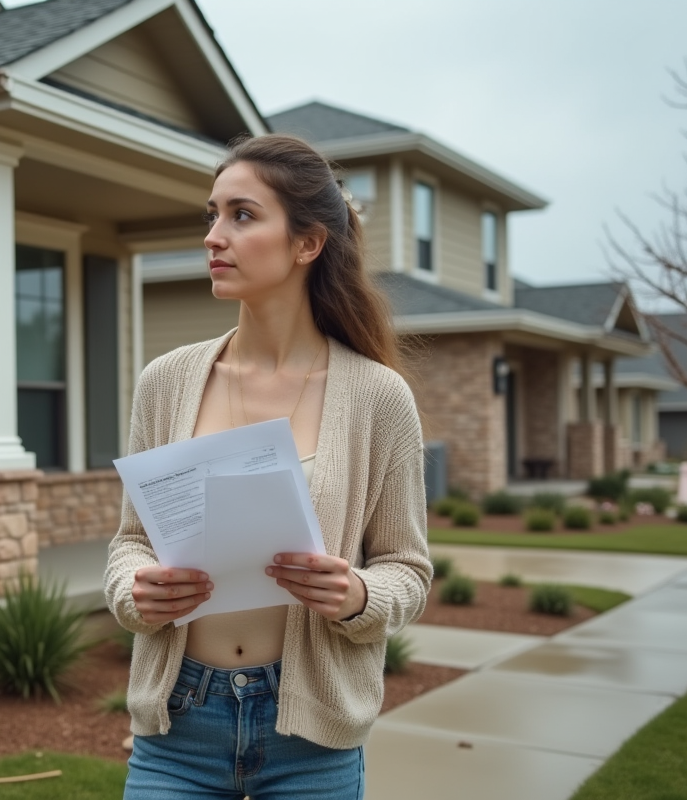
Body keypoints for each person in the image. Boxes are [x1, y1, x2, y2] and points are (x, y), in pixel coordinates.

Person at [104, 133, 432, 799]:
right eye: (212, 215)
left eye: (242, 215)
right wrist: (135, 589)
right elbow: (131, 541)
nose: (214, 236)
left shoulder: (378, 397)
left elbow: (408, 569)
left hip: (312, 738)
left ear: (307, 243)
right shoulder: (165, 383)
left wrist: (358, 596)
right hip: (179, 727)